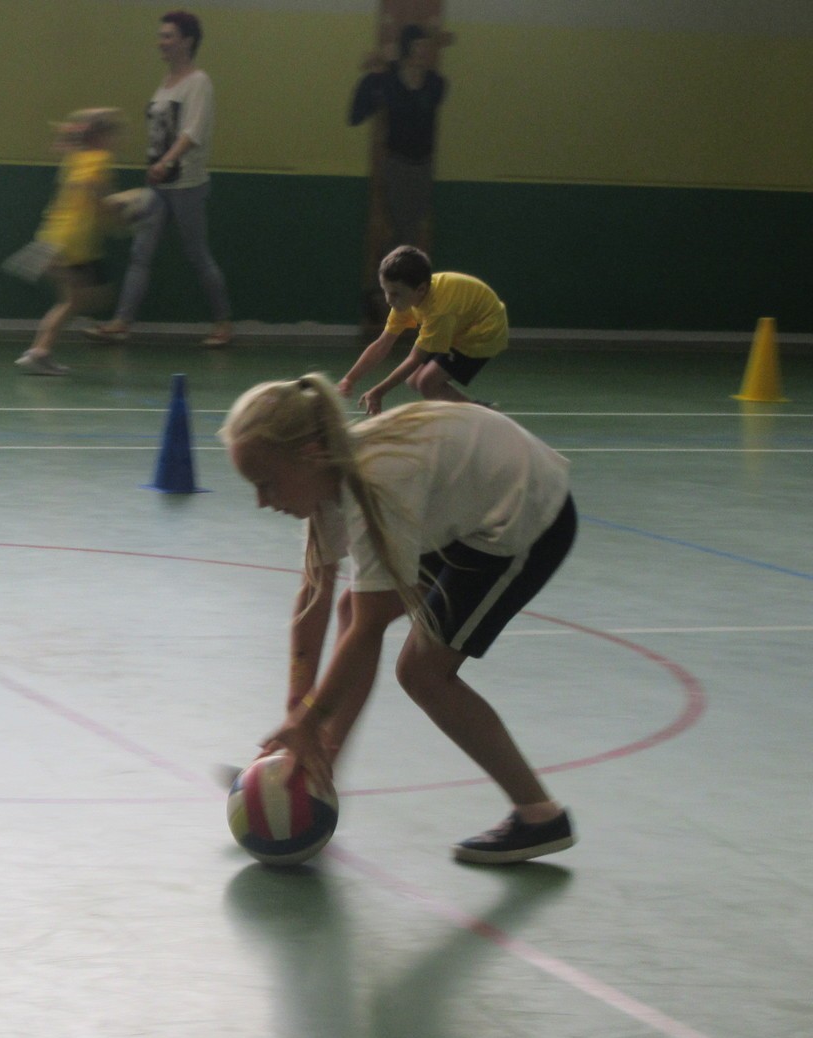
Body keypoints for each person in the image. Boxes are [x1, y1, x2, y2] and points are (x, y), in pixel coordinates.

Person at [220, 373, 579, 864]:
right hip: (467, 501)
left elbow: (368, 630)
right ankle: (313, 771)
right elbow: (313, 600)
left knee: (423, 673)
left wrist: (309, 719)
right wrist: (296, 713)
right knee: (352, 607)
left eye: (266, 483)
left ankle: (539, 815)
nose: (262, 501)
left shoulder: (377, 485)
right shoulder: (328, 478)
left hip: (525, 511)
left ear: (309, 454)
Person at [87, 11, 232, 348]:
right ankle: (121, 323)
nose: (161, 42)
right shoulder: (166, 83)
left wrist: (167, 162)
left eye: (168, 36)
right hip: (158, 185)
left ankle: (223, 323)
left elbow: (193, 132)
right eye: (161, 36)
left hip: (187, 185)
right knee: (140, 254)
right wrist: (157, 167)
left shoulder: (198, 82)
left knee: (197, 255)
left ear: (187, 41)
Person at [14, 110, 120, 377]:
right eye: (111, 134)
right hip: (74, 241)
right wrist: (115, 210)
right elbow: (94, 191)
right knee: (81, 299)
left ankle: (38, 352)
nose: (114, 140)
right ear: (99, 137)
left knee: (76, 299)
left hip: (55, 235)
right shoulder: (98, 159)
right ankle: (38, 353)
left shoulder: (74, 157)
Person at [339, 245, 507, 412]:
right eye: (385, 291)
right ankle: (478, 410)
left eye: (395, 294)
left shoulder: (439, 310)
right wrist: (350, 379)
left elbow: (415, 358)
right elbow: (382, 344)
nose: (388, 300)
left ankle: (477, 416)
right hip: (461, 323)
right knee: (413, 380)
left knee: (427, 383)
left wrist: (378, 392)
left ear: (421, 289)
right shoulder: (406, 300)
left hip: (483, 332)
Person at [348, 23, 448, 252]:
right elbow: (356, 114)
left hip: (424, 166)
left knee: (411, 229)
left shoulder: (434, 84)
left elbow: (436, 91)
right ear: (406, 48)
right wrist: (379, 67)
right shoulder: (389, 81)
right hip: (397, 165)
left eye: (425, 47)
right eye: (417, 46)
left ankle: (391, 269)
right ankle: (395, 270)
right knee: (404, 229)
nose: (422, 52)